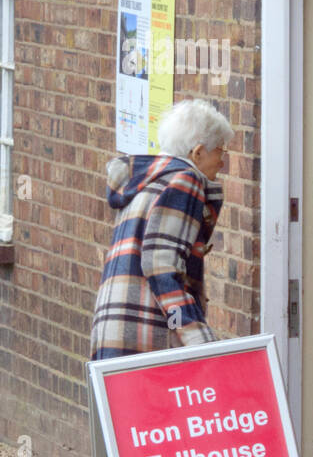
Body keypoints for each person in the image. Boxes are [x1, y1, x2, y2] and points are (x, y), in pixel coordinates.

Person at [90, 98, 233, 361]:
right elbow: (161, 267)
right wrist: (196, 338)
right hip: (148, 334)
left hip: (116, 329)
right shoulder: (185, 181)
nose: (222, 163)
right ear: (198, 152)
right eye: (221, 151)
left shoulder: (148, 181)